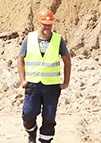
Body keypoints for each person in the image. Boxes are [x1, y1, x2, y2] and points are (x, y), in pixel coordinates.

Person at [17, 8, 71, 143]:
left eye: (50, 24)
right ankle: (31, 131)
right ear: (38, 23)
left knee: (49, 117)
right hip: (33, 84)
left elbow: (67, 60)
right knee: (28, 113)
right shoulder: (29, 38)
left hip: (51, 86)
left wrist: (66, 82)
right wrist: (23, 80)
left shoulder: (58, 40)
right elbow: (20, 59)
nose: (47, 27)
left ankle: (45, 141)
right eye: (44, 24)